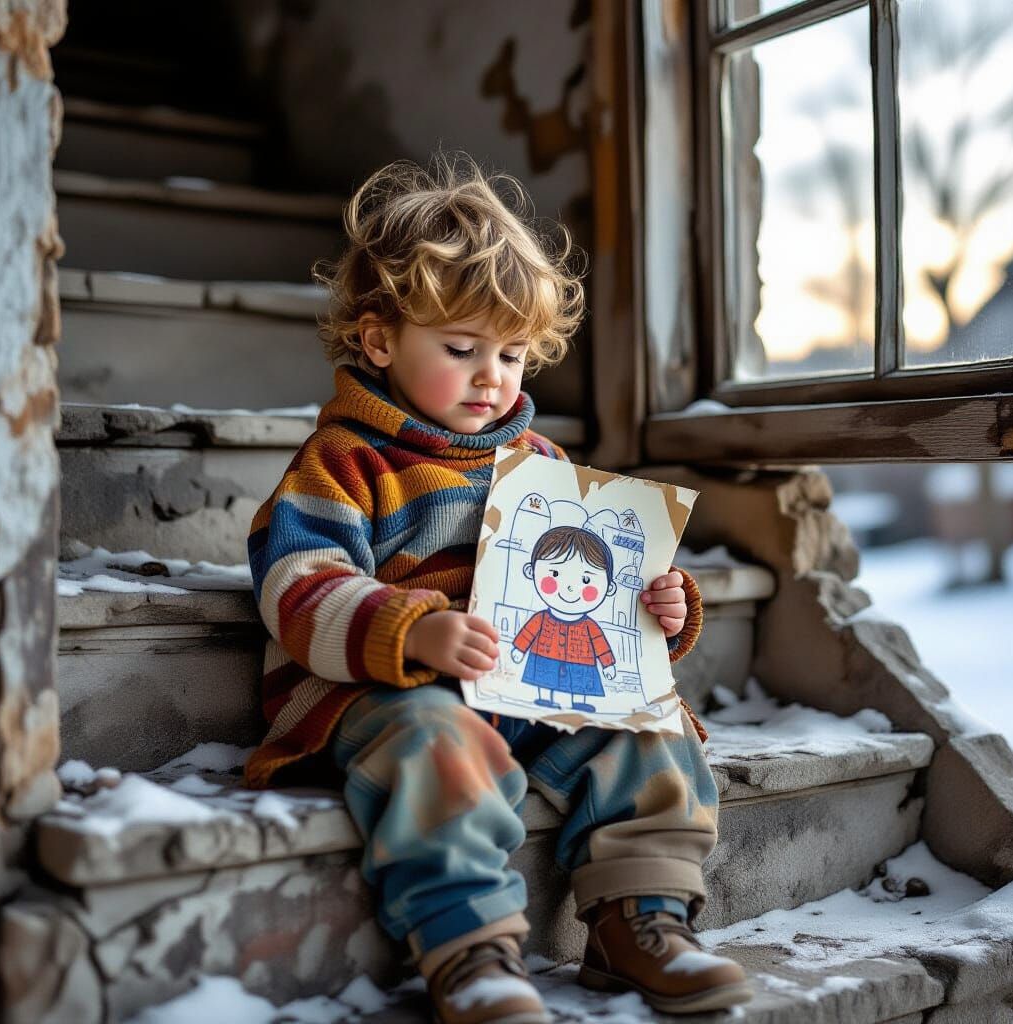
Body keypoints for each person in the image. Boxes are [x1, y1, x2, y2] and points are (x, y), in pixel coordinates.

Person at [244, 154, 752, 1022]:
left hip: (531, 681)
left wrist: (656, 609)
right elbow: (298, 583)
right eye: (461, 348)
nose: (493, 377)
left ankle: (643, 918)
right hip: (386, 688)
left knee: (649, 731)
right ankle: (470, 951)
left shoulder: (545, 467)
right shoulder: (344, 462)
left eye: (513, 354)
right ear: (378, 341)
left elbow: (587, 584)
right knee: (436, 743)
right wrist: (408, 631)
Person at [510, 525, 619, 713]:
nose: (569, 588)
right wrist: (519, 649)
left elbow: (600, 644)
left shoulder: (590, 626)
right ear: (531, 571)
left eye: (586, 580)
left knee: (579, 682)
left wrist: (607, 664)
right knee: (544, 678)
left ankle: (579, 701)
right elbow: (528, 632)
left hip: (582, 662)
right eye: (555, 573)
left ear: (609, 588)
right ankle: (545, 698)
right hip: (544, 657)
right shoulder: (541, 618)